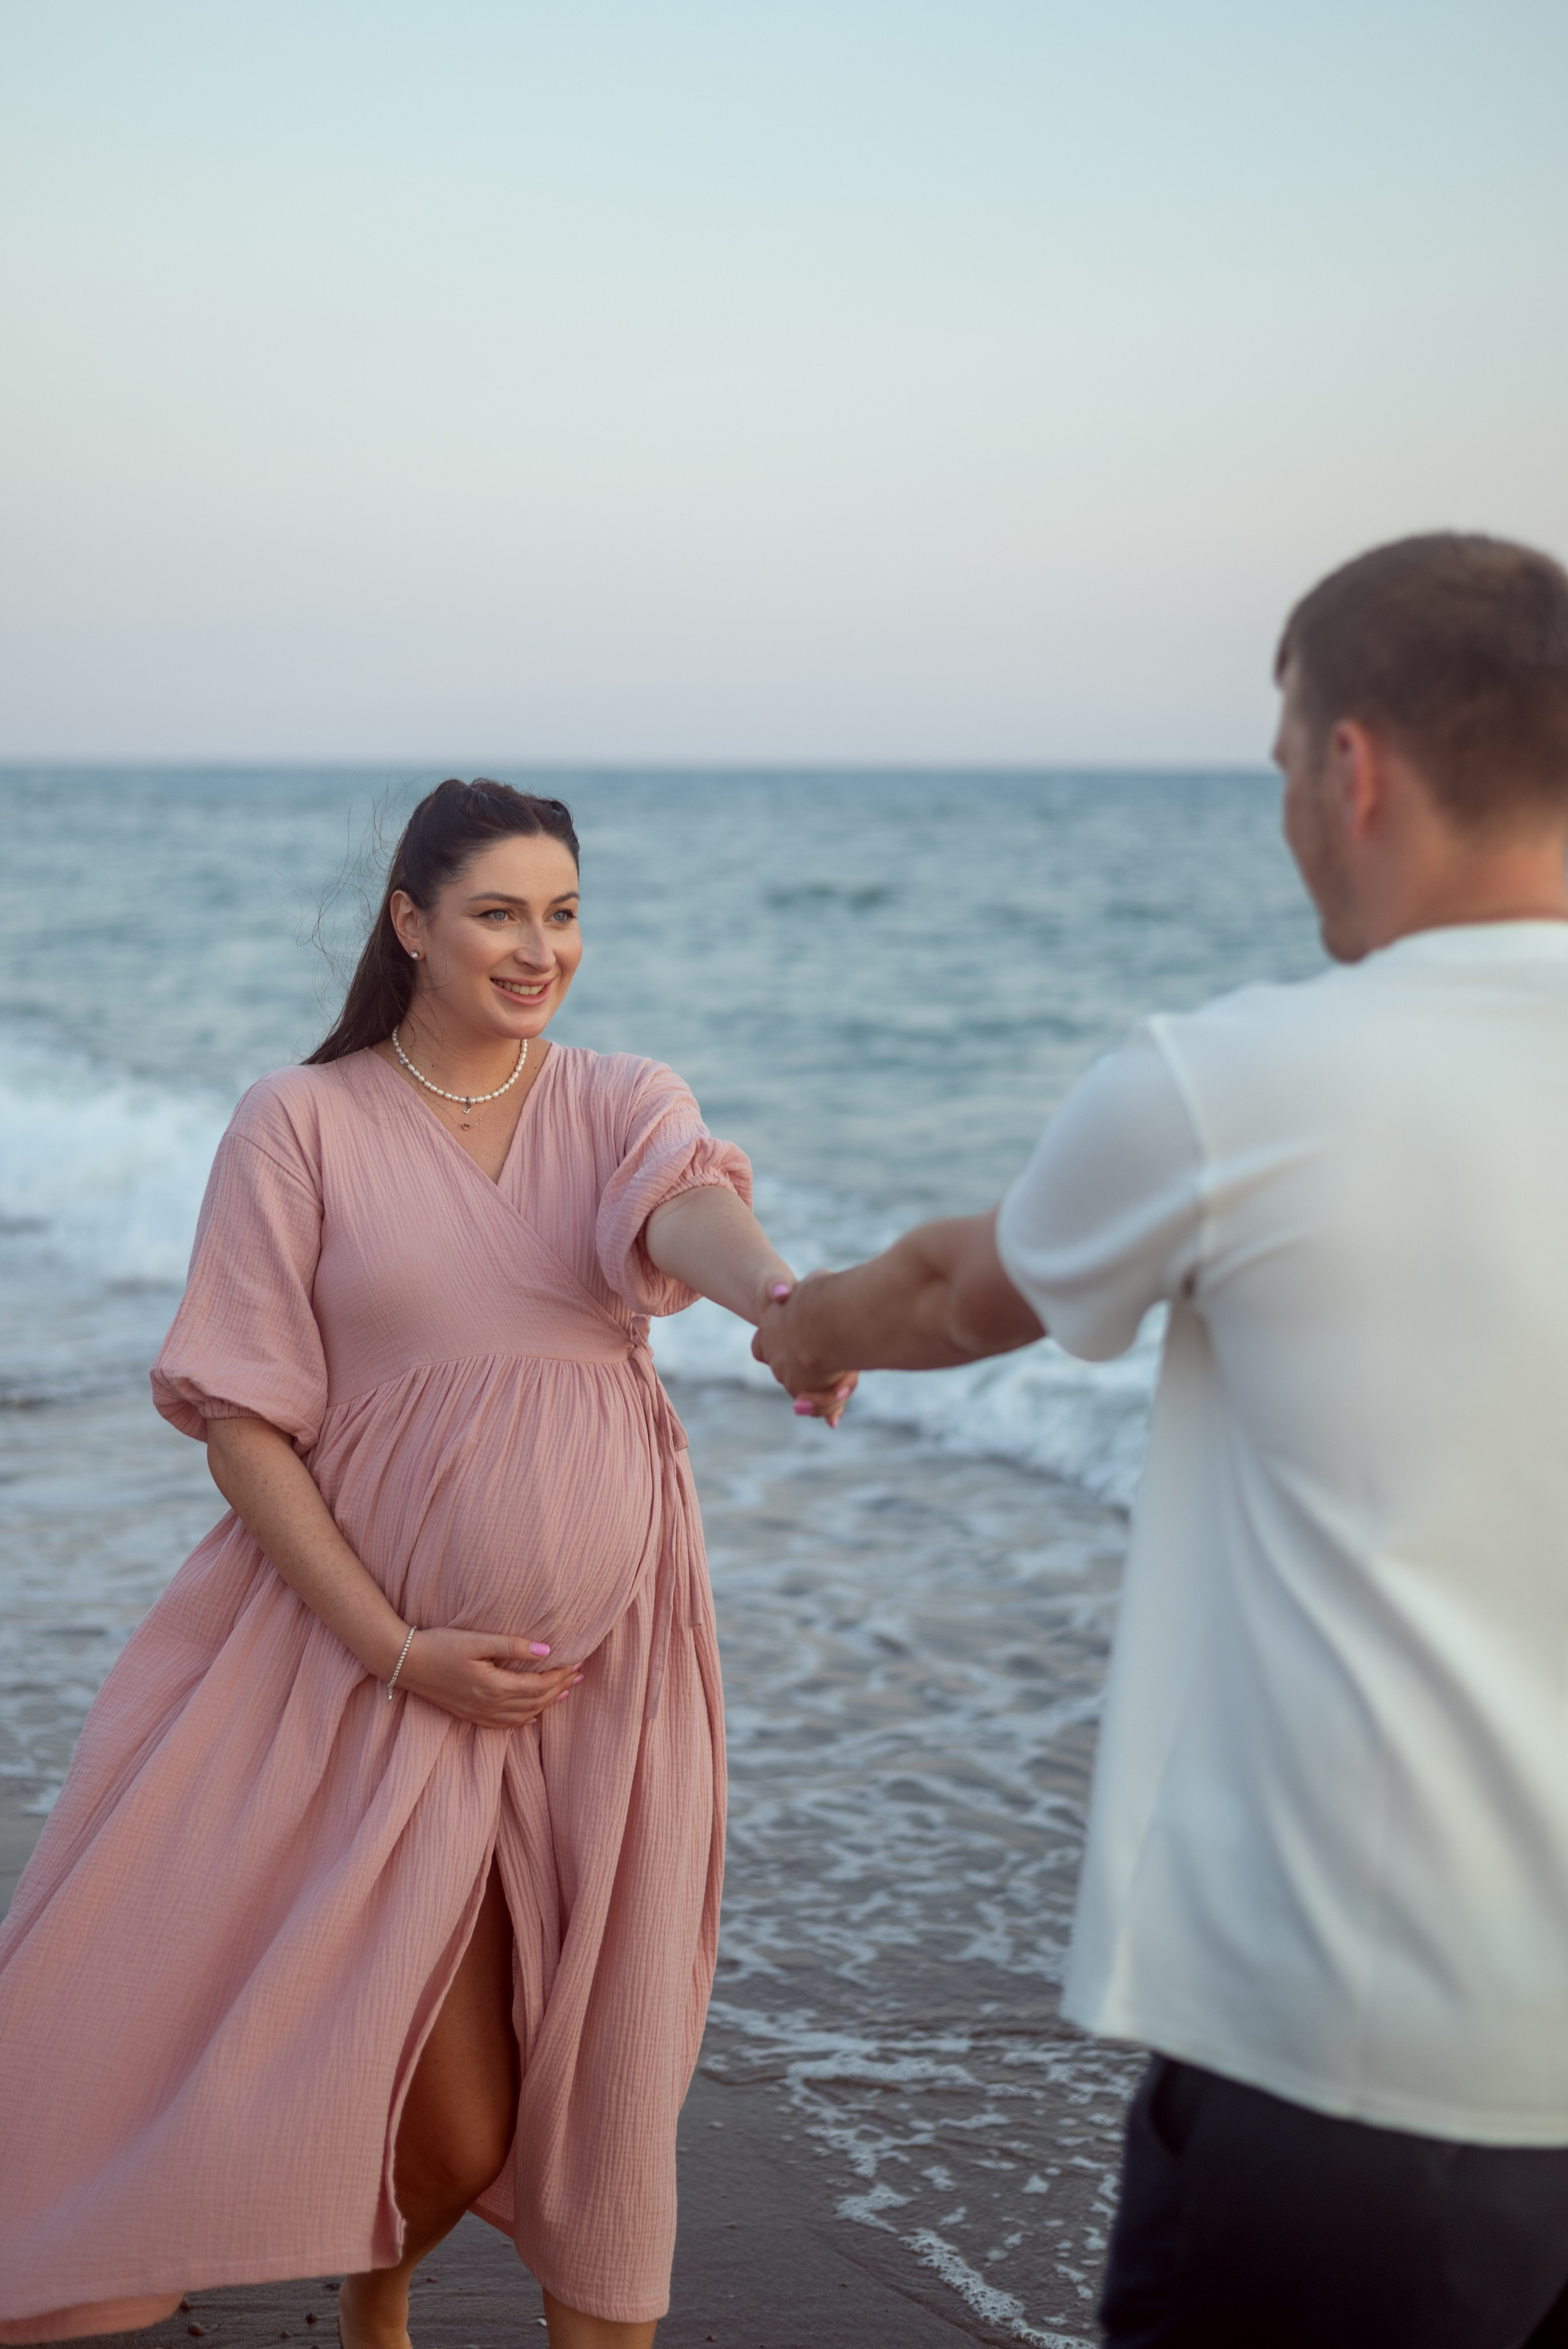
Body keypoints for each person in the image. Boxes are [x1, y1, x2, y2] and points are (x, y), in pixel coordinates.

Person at [752, 534, 1568, 2348]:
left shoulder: (1239, 1079)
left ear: (1350, 767)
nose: (1288, 816)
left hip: (1361, 2080)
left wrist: (802, 1326)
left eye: (1284, 767)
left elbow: (971, 1287)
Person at [0, 779, 851, 2349]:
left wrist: (780, 1302)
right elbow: (246, 1424)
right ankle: (371, 2288)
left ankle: (420, 2302)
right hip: (379, 1671)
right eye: (499, 912)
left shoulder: (615, 1094)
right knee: (446, 2121)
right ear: (410, 921)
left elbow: (686, 1211)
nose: (541, 948)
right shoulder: (299, 1121)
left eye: (566, 911)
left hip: (613, 1678)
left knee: (603, 2071)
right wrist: (397, 1647)